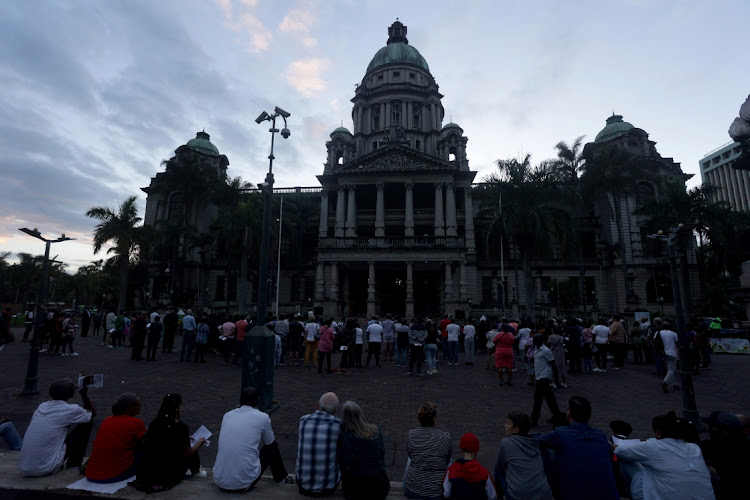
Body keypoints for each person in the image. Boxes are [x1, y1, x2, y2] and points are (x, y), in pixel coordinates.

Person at [615, 411, 714, 500]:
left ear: (658, 433)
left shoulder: (653, 446)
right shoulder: (694, 448)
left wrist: (615, 447)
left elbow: (620, 451)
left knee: (628, 460)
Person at [537, 396, 618, 500]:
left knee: (547, 452)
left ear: (569, 414)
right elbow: (610, 452)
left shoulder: (561, 433)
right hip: (607, 494)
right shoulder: (600, 435)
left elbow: (535, 441)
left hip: (573, 493)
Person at [213, 387, 293, 491]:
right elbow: (269, 442)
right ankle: (281, 478)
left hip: (219, 480)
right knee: (272, 446)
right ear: (257, 400)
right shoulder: (262, 417)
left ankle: (280, 477)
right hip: (244, 482)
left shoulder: (227, 415)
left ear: (240, 400)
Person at [18, 377, 96, 476]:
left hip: (25, 467)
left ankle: (59, 460)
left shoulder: (42, 406)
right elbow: (92, 413)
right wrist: (84, 394)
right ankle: (73, 465)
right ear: (70, 393)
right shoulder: (71, 410)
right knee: (87, 423)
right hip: (45, 467)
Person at [134, 393, 205, 493]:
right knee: (191, 448)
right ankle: (195, 471)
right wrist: (200, 442)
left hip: (152, 468)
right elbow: (187, 453)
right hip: (169, 471)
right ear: (178, 407)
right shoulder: (181, 427)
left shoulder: (155, 423)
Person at [85, 393, 145, 483]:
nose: (140, 407)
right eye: (138, 405)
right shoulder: (136, 423)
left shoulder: (107, 420)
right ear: (128, 408)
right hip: (113, 475)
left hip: (91, 474)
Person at [337, 401, 389, 500]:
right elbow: (381, 453)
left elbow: (343, 463)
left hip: (354, 491)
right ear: (360, 413)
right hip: (380, 487)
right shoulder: (376, 430)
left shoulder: (345, 437)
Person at [495, 410, 551, 500]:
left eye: (508, 423)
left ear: (516, 430)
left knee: (498, 469)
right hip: (543, 495)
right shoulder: (535, 442)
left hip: (519, 496)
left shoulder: (506, 443)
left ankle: (497, 496)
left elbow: (500, 466)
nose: (505, 426)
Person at [403, 402, 452, 500]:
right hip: (437, 492)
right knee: (450, 460)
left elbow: (411, 456)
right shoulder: (445, 437)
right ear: (434, 419)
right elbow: (446, 461)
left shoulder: (411, 435)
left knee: (410, 459)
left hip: (412, 488)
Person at [296, 392, 342, 496]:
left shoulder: (303, 420)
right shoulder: (338, 424)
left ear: (318, 405)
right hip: (328, 487)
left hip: (303, 485)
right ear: (336, 410)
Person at [700, 410, 748, 499]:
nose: (709, 429)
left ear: (725, 430)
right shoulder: (742, 443)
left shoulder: (716, 446)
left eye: (712, 426)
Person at [442, 432, 497, 500]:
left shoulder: (452, 470)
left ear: (461, 450)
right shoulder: (484, 473)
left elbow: (446, 493)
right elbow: (492, 496)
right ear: (476, 451)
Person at [530, 334, 560, 427]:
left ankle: (534, 420)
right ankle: (557, 416)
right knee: (549, 400)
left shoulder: (545, 351)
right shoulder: (537, 349)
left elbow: (553, 364)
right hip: (540, 377)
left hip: (544, 378)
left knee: (539, 400)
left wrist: (556, 379)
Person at [656, 322, 680, 393]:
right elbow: (677, 342)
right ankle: (665, 382)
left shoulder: (659, 333)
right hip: (672, 353)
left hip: (663, 353)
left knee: (670, 369)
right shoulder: (673, 333)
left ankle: (674, 384)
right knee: (672, 369)